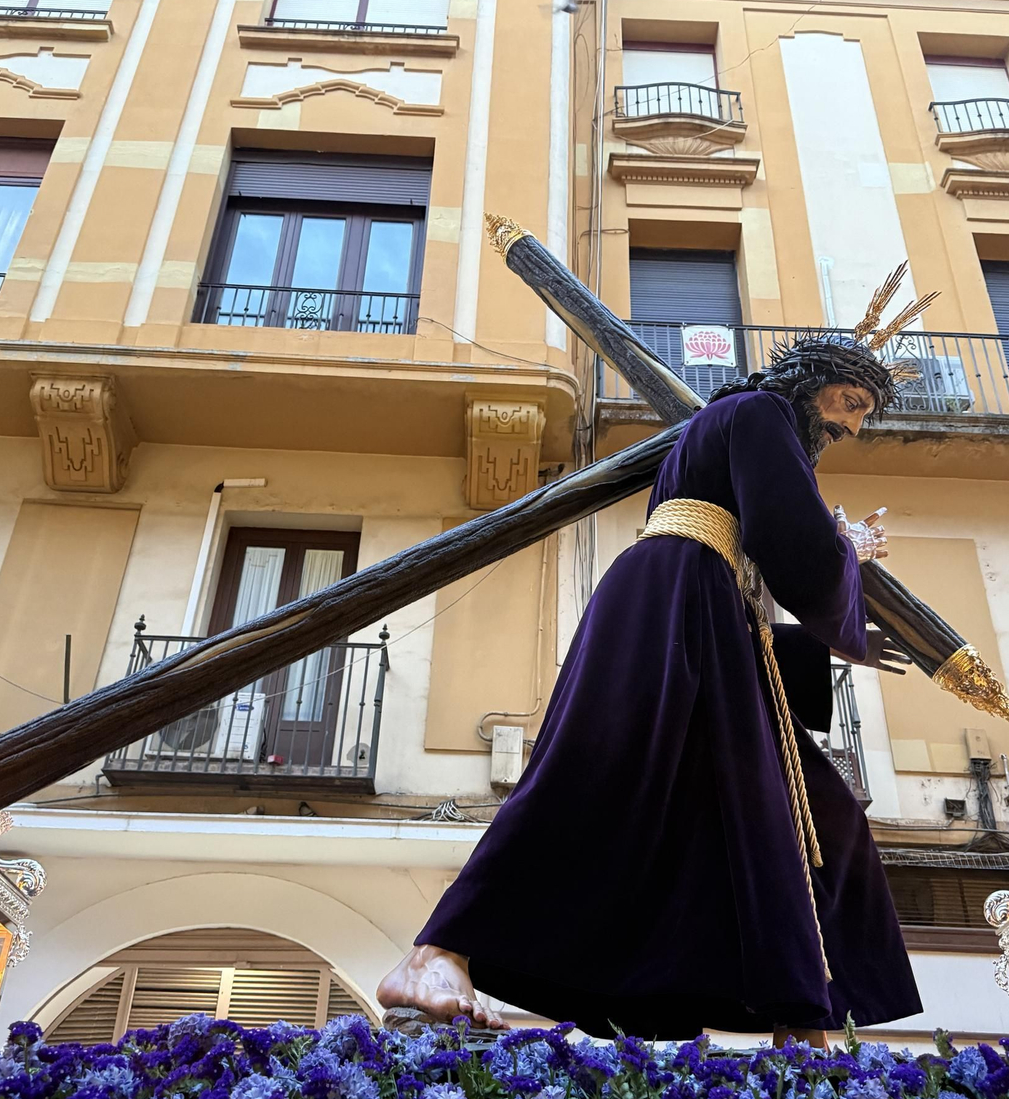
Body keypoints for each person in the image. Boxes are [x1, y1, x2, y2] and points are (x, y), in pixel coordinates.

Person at [377, 334, 923, 1043]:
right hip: (672, 600)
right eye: (851, 403)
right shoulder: (761, 412)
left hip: (694, 611)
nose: (851, 425)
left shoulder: (735, 431)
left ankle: (796, 1011)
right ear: (813, 382)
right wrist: (845, 556)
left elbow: (764, 563)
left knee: (794, 808)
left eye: (864, 415)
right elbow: (795, 548)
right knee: (592, 774)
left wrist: (826, 607)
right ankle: (434, 952)